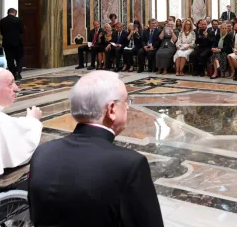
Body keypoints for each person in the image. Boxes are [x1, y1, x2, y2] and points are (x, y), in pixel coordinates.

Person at [28, 71, 164, 227]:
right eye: (126, 102)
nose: (127, 107)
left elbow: (35, 214)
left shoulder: (42, 152)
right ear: (111, 109)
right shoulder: (129, 164)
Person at [0, 8, 24, 80]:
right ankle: (18, 72)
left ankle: (13, 73)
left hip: (7, 43)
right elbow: (21, 30)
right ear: (15, 13)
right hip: (17, 42)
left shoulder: (2, 21)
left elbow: (2, 32)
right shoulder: (18, 20)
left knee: (9, 59)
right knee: (19, 58)